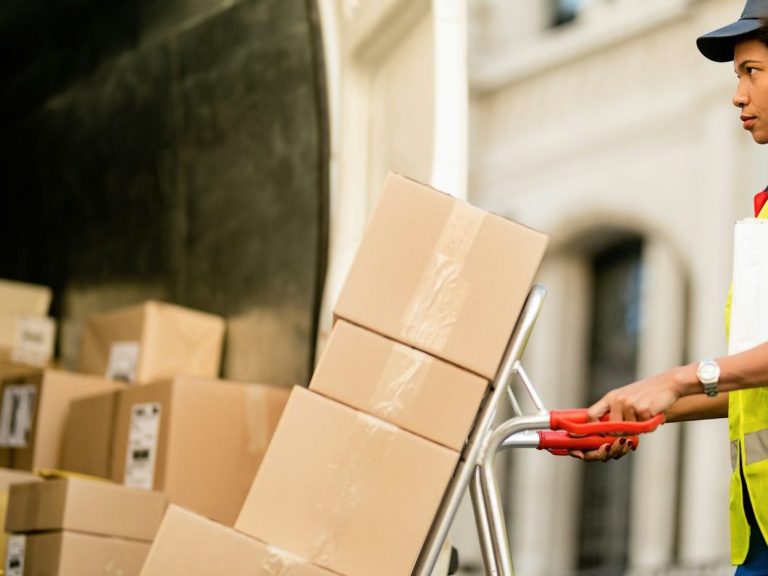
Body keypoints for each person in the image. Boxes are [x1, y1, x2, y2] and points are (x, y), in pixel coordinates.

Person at [570, 1, 768, 573]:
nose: (737, 95)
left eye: (751, 71)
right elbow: (756, 385)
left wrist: (678, 377)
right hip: (760, 534)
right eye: (737, 77)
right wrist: (646, 410)